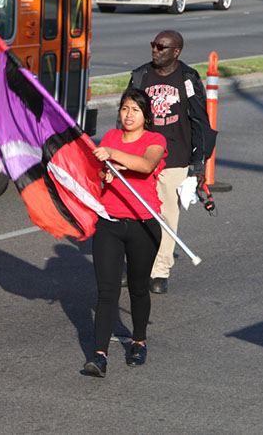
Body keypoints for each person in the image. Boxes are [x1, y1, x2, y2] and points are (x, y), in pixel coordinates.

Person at [83, 89, 167, 378]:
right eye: (124, 108)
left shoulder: (155, 140)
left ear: (146, 116)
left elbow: (145, 166)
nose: (128, 114)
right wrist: (104, 173)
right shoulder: (109, 137)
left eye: (135, 110)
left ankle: (139, 341)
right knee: (107, 291)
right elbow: (98, 171)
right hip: (109, 222)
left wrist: (114, 157)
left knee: (138, 286)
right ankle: (99, 355)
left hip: (144, 224)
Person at [127, 30, 216, 294]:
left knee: (165, 217)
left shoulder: (187, 78)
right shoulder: (140, 75)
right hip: (140, 159)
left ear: (176, 52)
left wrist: (199, 166)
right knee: (135, 216)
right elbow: (127, 113)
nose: (155, 50)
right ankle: (136, 267)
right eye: (154, 45)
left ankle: (160, 271)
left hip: (174, 160)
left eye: (162, 47)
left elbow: (201, 122)